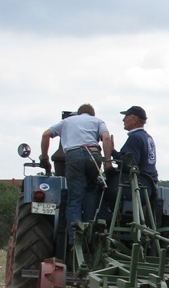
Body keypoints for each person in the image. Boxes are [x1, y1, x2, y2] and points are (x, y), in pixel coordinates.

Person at [39, 104, 113, 243]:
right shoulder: (98, 121)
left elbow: (45, 135)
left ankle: (75, 240)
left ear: (79, 113)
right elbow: (106, 138)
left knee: (74, 198)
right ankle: (90, 234)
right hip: (94, 155)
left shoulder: (67, 121)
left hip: (74, 156)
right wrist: (108, 162)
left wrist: (45, 157)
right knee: (91, 191)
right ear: (92, 114)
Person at [106, 105, 159, 210]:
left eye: (126, 116)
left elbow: (129, 164)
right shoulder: (148, 137)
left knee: (100, 189)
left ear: (135, 119)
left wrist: (112, 152)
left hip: (137, 185)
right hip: (150, 186)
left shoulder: (135, 138)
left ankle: (103, 217)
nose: (123, 119)